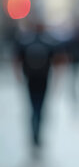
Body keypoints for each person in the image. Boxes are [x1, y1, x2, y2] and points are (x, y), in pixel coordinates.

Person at [12, 18, 63, 156]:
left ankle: (34, 133)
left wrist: (18, 76)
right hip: (42, 79)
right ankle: (36, 133)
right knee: (39, 107)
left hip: (31, 79)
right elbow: (58, 61)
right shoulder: (48, 41)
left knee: (33, 107)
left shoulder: (25, 40)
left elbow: (16, 59)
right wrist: (57, 80)